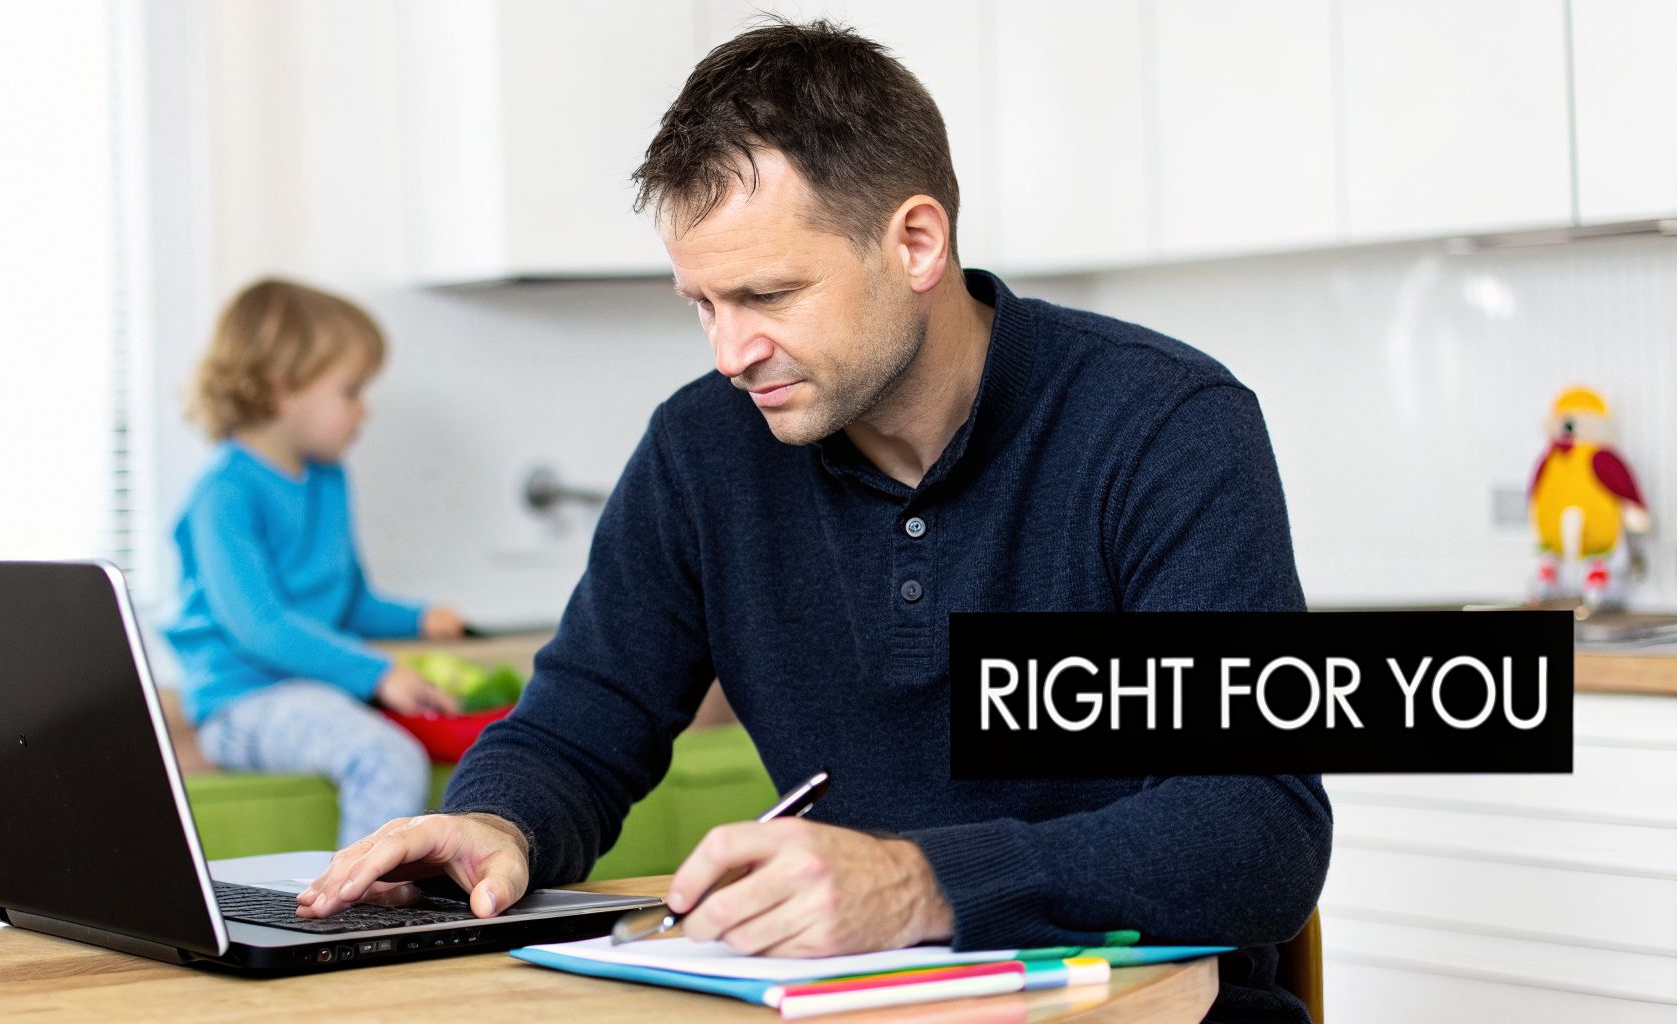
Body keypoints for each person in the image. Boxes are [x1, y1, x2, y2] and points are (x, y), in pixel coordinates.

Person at [298, 20, 1329, 1022]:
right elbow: (581, 724)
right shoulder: (702, 450)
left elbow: (1255, 824)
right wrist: (493, 819)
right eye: (701, 303)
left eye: (766, 293)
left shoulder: (1160, 427)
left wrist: (919, 882)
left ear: (915, 242)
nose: (729, 352)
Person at [165, 279, 468, 847]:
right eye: (350, 390)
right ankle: (363, 907)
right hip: (242, 702)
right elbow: (259, 626)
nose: (364, 410)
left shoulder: (327, 479)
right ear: (283, 390)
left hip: (313, 687)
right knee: (386, 757)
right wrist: (379, 673)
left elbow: (344, 599)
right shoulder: (224, 494)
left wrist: (418, 619)